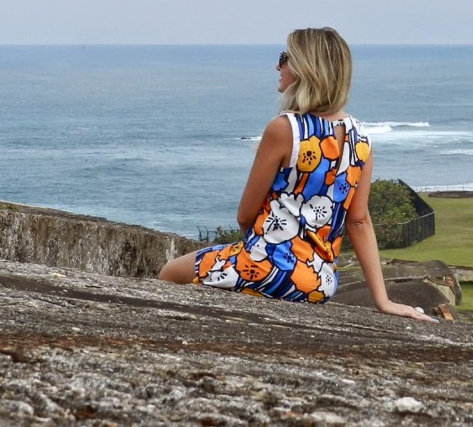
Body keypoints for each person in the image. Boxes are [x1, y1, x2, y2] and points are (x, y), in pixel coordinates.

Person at [159, 27, 437, 323]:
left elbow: (245, 214)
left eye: (285, 58)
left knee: (169, 274)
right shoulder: (361, 138)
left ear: (306, 66)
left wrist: (261, 255)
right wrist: (383, 301)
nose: (278, 66)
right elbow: (359, 221)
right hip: (320, 283)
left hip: (266, 267)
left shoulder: (284, 128)